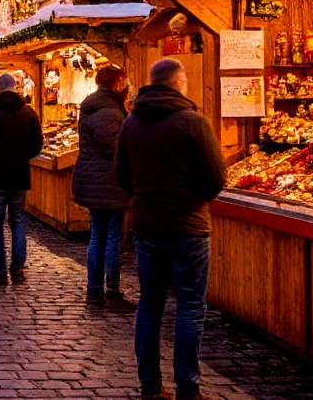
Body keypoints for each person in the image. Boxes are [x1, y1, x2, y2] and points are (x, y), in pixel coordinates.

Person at [115, 58, 226, 400]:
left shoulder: (131, 122)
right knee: (190, 306)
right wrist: (194, 199)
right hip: (188, 227)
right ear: (178, 83)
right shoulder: (193, 122)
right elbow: (215, 178)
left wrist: (144, 196)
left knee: (150, 303)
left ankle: (150, 384)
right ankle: (188, 387)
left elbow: (121, 175)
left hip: (147, 225)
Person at [0, 72, 42, 285]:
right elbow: (37, 144)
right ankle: (18, 268)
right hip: (19, 174)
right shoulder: (28, 112)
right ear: (15, 86)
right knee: (18, 220)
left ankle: (0, 270)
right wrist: (23, 156)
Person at [72, 65, 133, 306]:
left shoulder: (95, 105)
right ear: (117, 83)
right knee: (110, 238)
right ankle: (109, 290)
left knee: (98, 235)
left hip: (94, 180)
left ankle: (96, 288)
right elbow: (114, 146)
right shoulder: (108, 110)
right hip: (109, 181)